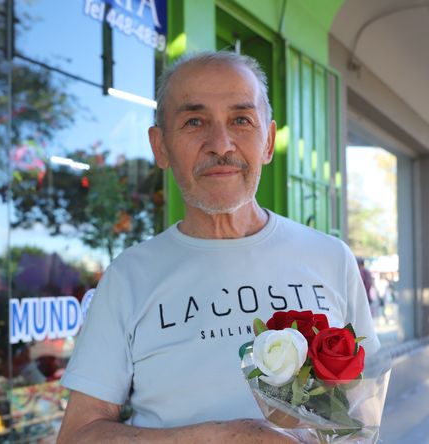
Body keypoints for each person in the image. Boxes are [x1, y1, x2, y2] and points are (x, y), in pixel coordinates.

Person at [56, 51, 380, 443]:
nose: (220, 144)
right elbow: (78, 435)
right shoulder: (128, 277)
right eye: (194, 122)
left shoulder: (331, 258)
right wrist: (222, 436)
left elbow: (363, 415)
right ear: (160, 146)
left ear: (268, 141)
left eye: (241, 120)